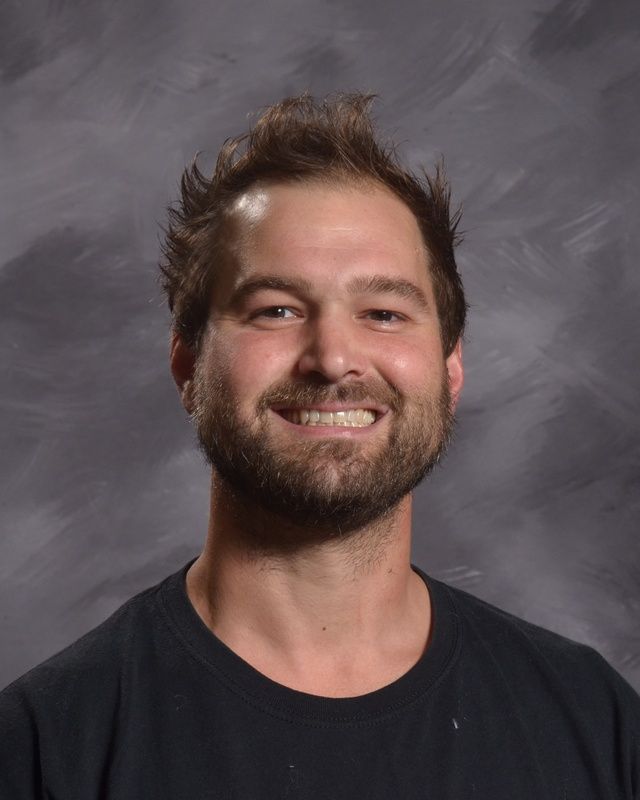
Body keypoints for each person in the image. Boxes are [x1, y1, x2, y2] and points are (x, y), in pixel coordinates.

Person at [1, 92, 638, 799]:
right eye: (277, 309)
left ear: (450, 367)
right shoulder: (46, 748)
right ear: (188, 364)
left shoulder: (594, 724)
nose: (333, 358)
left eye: (384, 313)